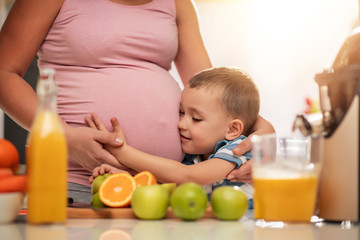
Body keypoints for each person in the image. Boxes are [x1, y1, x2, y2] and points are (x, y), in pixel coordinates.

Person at [0, 0, 274, 203]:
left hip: (164, 192)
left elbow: (214, 94)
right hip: (75, 183)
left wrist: (262, 129)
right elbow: (3, 73)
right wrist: (65, 137)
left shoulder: (178, 3)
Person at [89, 67, 260, 206]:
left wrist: (123, 152)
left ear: (232, 129)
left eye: (196, 118)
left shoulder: (237, 150)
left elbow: (187, 177)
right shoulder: (195, 156)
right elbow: (166, 183)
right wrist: (124, 177)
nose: (181, 124)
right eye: (181, 112)